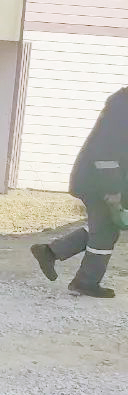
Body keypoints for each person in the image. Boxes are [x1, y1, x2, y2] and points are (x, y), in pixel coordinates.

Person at [30, 88, 128, 297]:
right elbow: (106, 152)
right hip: (98, 181)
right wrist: (113, 190)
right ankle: (85, 281)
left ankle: (50, 252)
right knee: (105, 230)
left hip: (104, 179)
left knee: (101, 226)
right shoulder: (122, 107)